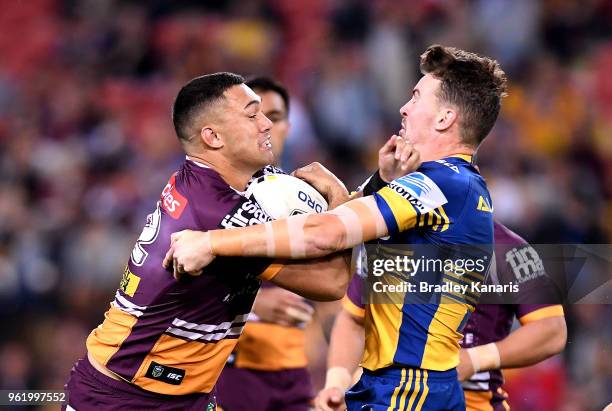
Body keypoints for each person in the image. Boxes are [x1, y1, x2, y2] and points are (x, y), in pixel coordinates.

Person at [165, 45, 508, 410]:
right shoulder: (453, 185)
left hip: (410, 389)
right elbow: (354, 236)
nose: (404, 108)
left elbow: (326, 234)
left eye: (416, 97)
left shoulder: (441, 184)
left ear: (445, 119)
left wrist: (212, 242)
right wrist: (376, 183)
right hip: (400, 383)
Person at [63, 72, 351, 411]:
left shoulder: (232, 182)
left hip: (187, 395)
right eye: (251, 114)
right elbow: (333, 281)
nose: (266, 124)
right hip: (125, 399)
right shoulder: (219, 213)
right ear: (213, 137)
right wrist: (339, 196)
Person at [315, 220, 567, 411]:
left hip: (471, 401)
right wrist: (337, 383)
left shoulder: (508, 250)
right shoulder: (389, 245)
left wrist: (473, 359)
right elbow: (352, 320)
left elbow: (552, 330)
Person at [215, 76, 325, 411]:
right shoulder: (208, 195)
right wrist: (254, 306)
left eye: (274, 118)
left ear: (289, 127)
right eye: (253, 117)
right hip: (224, 371)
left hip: (292, 376)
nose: (264, 127)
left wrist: (336, 374)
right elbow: (159, 283)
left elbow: (337, 293)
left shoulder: (309, 199)